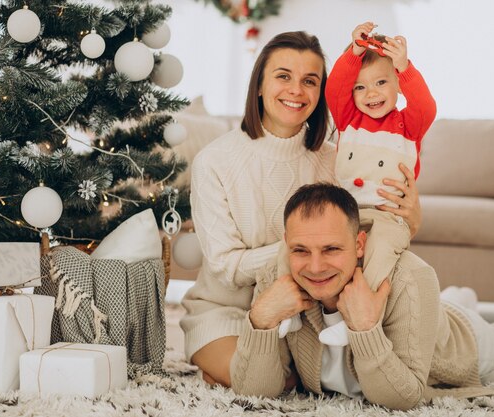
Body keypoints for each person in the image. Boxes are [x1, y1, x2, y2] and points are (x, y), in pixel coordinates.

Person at [180, 31, 423, 388]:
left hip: (310, 316)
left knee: (335, 378)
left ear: (321, 92)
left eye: (309, 81)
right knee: (265, 383)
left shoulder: (335, 161)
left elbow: (362, 238)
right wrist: (298, 254)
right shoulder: (214, 162)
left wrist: (412, 217)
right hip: (229, 310)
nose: (296, 90)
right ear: (259, 86)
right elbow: (225, 267)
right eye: (283, 76)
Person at [230, 182, 494, 410]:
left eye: (331, 249)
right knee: (439, 304)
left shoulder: (412, 278)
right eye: (300, 249)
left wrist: (364, 328)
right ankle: (458, 296)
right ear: (287, 242)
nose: (315, 267)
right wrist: (260, 319)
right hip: (423, 309)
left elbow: (402, 398)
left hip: (456, 344)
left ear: (359, 244)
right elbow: (253, 391)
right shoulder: (276, 275)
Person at [280, 22, 436, 346]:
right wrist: (353, 52)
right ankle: (293, 310)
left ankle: (360, 317)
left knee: (378, 253)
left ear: (399, 86)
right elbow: (335, 87)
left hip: (388, 215)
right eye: (361, 87)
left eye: (381, 82)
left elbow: (426, 106)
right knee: (304, 248)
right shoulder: (349, 119)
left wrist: (405, 67)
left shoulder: (408, 126)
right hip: (344, 212)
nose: (371, 93)